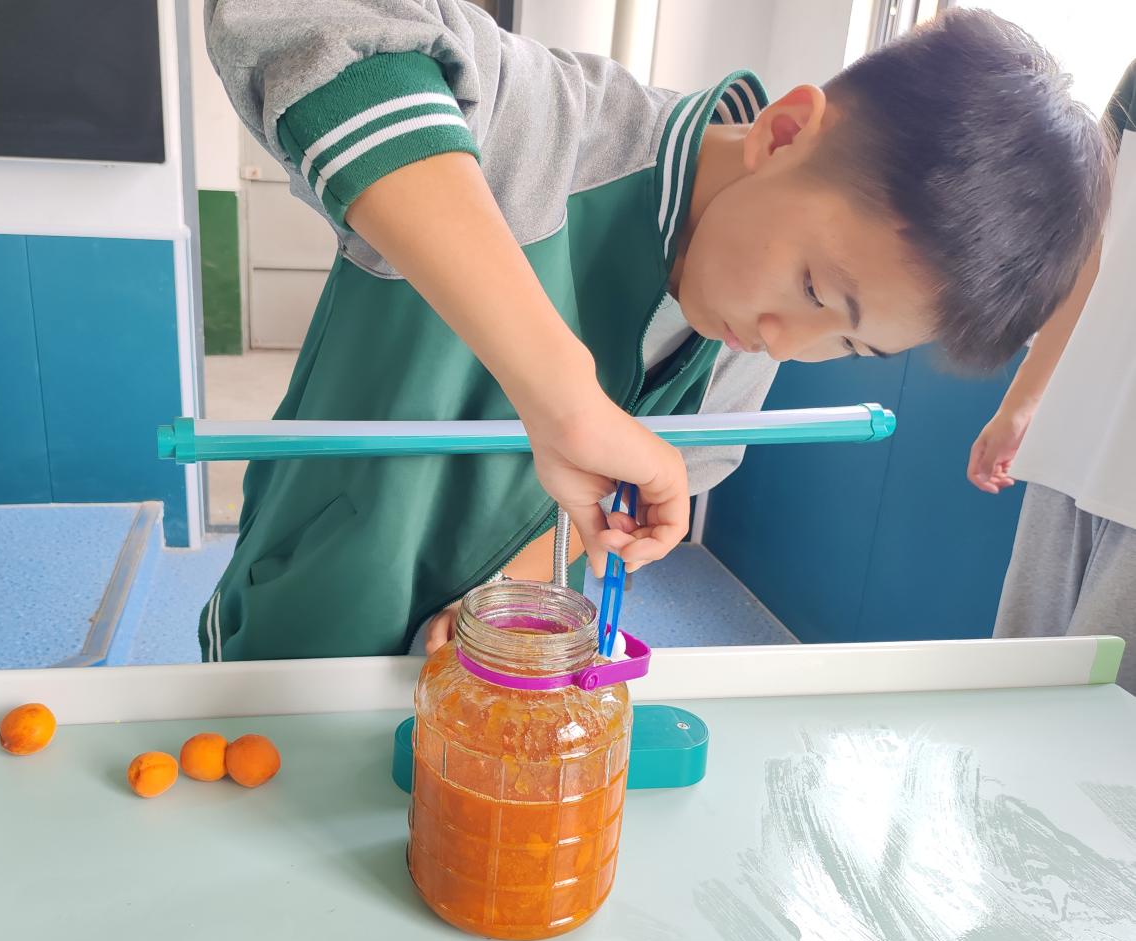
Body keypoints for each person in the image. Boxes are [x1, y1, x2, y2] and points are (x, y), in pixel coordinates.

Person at [199, 3, 1110, 661]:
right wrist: (561, 392)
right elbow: (306, 21)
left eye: (847, 344)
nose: (786, 341)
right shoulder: (543, 129)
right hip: (300, 630)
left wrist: (504, 592)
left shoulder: (743, 343)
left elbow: (642, 487)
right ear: (783, 133)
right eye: (811, 287)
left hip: (484, 672)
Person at [970, 60, 1136, 692]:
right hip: (1076, 444)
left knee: (1108, 718)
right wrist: (1022, 401)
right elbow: (1093, 247)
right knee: (1020, 684)